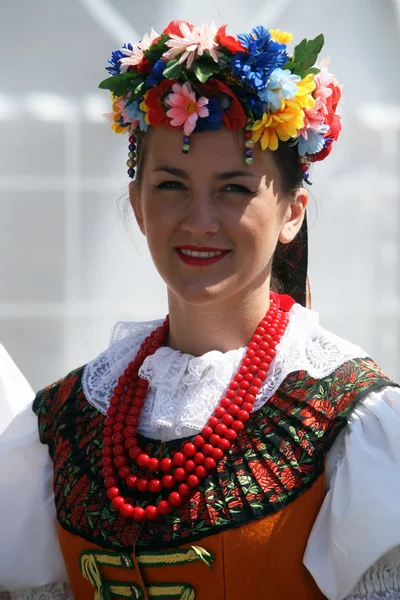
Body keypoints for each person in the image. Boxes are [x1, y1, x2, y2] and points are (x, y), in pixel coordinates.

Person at [1, 20, 399, 600]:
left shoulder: (350, 421)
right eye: (171, 185)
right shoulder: (64, 420)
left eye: (235, 189)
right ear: (137, 204)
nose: (200, 220)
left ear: (293, 211)